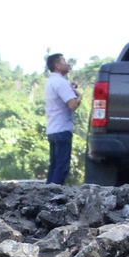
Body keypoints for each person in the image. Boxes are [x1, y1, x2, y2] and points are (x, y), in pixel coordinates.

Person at [43, 52, 80, 185]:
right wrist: (78, 96)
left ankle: (46, 194)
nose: (67, 64)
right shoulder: (61, 82)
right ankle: (53, 196)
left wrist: (71, 89)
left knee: (54, 165)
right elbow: (73, 105)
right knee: (62, 167)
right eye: (64, 61)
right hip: (62, 129)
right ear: (57, 65)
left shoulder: (51, 82)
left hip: (52, 129)